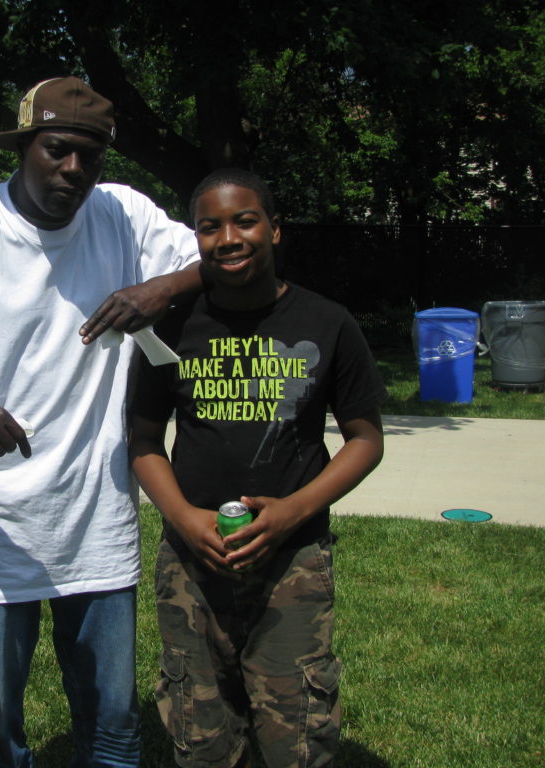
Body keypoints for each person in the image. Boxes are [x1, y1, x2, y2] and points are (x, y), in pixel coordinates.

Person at [0, 76, 202, 767]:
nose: (74, 170)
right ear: (24, 146)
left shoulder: (122, 215)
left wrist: (157, 289)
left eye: (91, 155)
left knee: (113, 723)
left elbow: (222, 255)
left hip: (95, 519)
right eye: (57, 150)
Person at [128, 168, 386, 767]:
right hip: (192, 563)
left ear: (275, 229)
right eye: (209, 226)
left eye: (245, 220)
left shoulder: (327, 323)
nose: (228, 238)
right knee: (200, 726)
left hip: (291, 561)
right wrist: (184, 518)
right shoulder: (171, 328)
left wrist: (294, 511)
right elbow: (142, 440)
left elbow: (365, 439)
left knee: (296, 729)